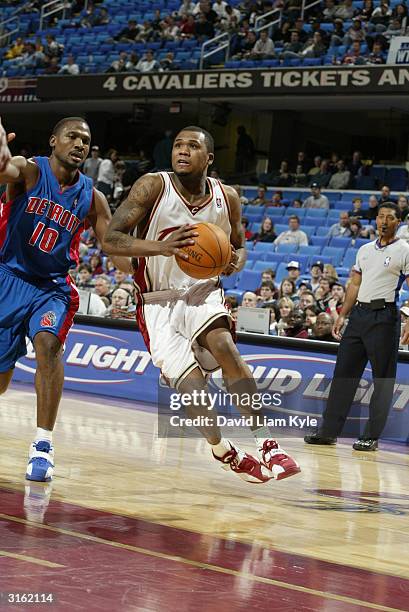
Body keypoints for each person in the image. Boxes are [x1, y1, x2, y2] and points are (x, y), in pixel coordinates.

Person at [103, 125, 300, 483]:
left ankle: (268, 442)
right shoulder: (153, 185)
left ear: (208, 158)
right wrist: (162, 248)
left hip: (201, 290)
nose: (181, 150)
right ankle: (223, 450)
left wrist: (232, 262)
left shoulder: (228, 197)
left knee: (225, 347)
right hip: (156, 301)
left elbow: (239, 248)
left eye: (192, 146)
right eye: (177, 144)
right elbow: (110, 239)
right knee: (193, 390)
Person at [0, 116, 130, 482]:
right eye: (72, 136)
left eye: (85, 140)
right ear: (53, 140)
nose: (79, 143)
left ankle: (42, 445)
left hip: (51, 287)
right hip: (8, 277)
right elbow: (4, 170)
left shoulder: (93, 197)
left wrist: (145, 265)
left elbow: (112, 248)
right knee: (1, 381)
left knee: (48, 344)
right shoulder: (29, 171)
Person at [305, 202, 409, 451]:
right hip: (358, 316)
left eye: (390, 217)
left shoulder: (405, 249)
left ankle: (371, 436)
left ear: (398, 222)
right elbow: (354, 284)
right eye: (381, 216)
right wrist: (343, 314)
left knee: (382, 379)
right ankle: (328, 432)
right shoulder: (363, 249)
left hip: (385, 317)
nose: (384, 221)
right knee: (343, 375)